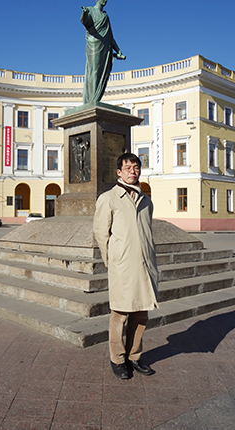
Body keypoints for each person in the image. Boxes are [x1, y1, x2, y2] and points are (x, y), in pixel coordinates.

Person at [93, 153, 159, 379]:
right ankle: (118, 359)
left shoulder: (146, 200)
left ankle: (134, 357)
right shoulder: (108, 198)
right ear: (119, 172)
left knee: (141, 315)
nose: (133, 171)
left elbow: (147, 233)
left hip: (144, 266)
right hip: (122, 266)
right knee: (119, 314)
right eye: (128, 167)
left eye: (136, 167)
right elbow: (101, 234)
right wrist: (112, 261)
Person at [80, 0, 126, 104]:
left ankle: (95, 98)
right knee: (94, 71)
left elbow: (110, 37)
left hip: (105, 47)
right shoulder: (90, 10)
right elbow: (86, 22)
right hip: (94, 45)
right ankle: (92, 99)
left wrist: (119, 51)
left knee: (102, 73)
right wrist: (84, 13)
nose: (105, 0)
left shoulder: (105, 17)